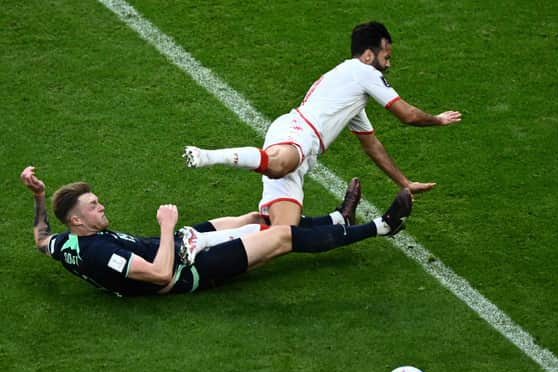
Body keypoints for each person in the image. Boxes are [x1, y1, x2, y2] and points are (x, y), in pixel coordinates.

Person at [183, 21, 461, 226]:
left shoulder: (351, 96)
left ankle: (202, 239)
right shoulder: (362, 72)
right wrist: (438, 119)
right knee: (279, 165)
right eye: (386, 57)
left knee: (280, 232)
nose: (388, 65)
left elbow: (372, 145)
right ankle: (207, 156)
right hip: (299, 132)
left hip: (299, 140)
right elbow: (407, 115)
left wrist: (405, 182)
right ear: (368, 55)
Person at [20, 166, 413, 297]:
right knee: (280, 237)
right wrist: (167, 225)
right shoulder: (98, 254)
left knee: (255, 219)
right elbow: (159, 275)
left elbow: (40, 237)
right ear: (77, 220)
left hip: (175, 245)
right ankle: (381, 227)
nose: (101, 206)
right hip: (189, 270)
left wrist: (39, 196)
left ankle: (337, 221)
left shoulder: (65, 243)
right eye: (93, 206)